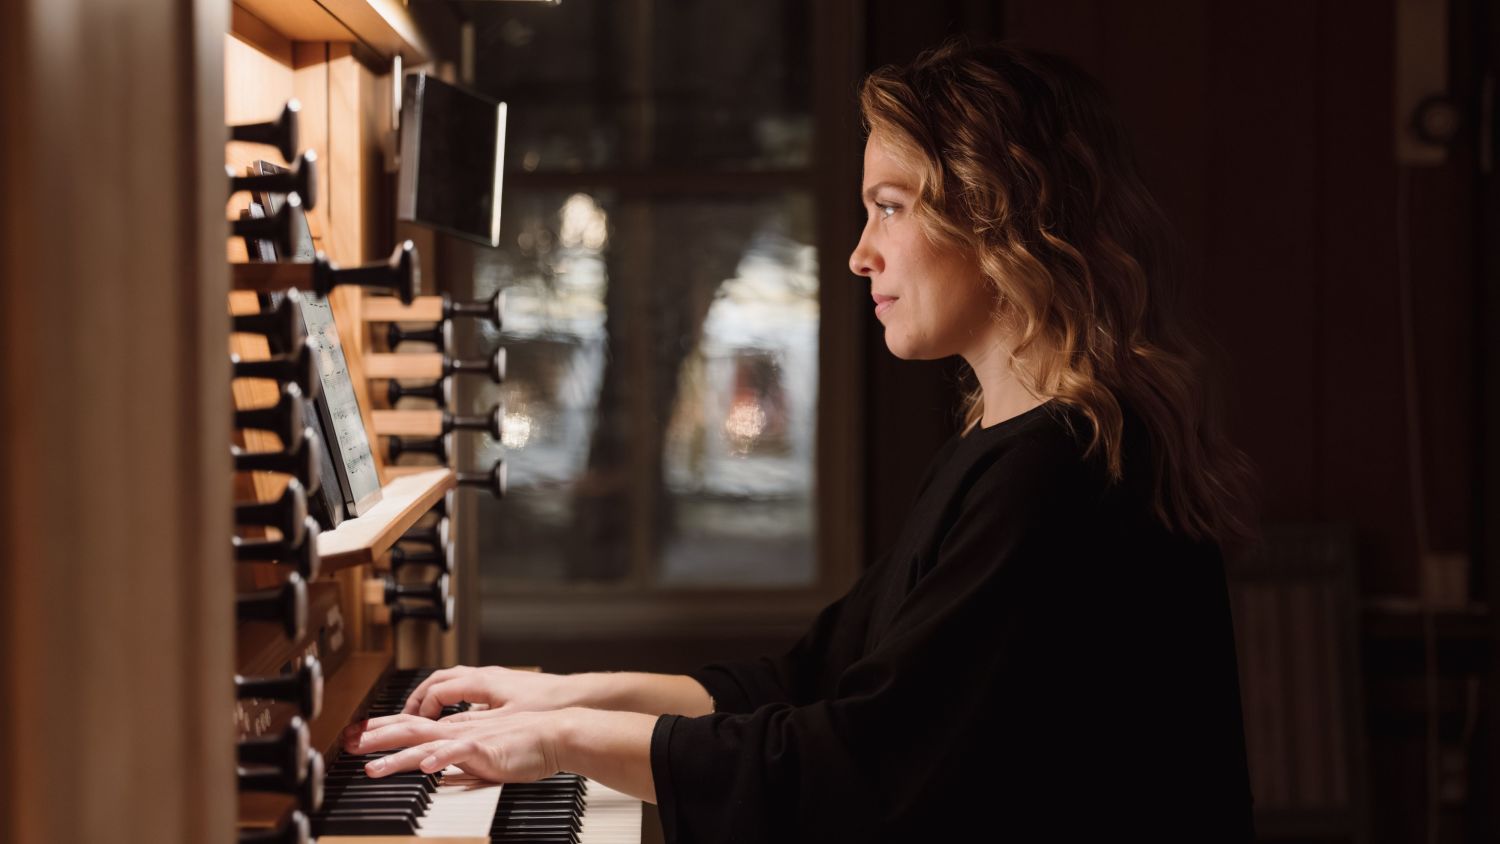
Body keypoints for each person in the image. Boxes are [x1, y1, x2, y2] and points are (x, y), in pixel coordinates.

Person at [343, 37, 1260, 842]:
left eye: (890, 206)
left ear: (999, 210)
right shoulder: (1015, 445)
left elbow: (858, 771)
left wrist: (562, 742)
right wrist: (563, 693)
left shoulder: (1063, 474)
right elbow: (808, 680)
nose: (861, 251)